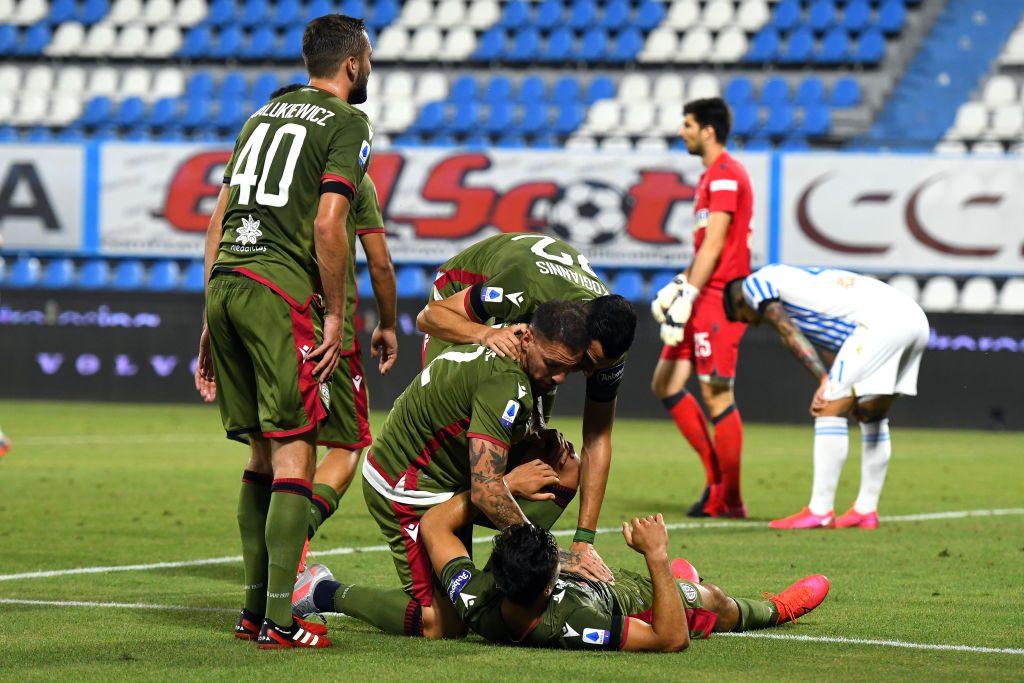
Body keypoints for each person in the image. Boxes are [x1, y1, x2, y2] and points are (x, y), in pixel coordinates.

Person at [193, 14, 374, 649]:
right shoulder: (349, 122)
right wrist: (331, 313)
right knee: (296, 448)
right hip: (279, 292)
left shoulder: (258, 118)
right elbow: (330, 226)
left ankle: (251, 612)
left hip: (228, 283)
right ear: (353, 64)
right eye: (368, 59)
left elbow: (218, 219)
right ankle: (280, 618)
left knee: (260, 454)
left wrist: (208, 319)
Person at [195, 83, 399, 567]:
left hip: (237, 293)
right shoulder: (352, 175)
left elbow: (218, 229)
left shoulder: (255, 142)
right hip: (320, 326)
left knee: (264, 454)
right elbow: (378, 260)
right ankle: (293, 546)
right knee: (339, 446)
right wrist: (384, 322)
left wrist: (210, 314)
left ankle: (263, 590)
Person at [294, 496, 830, 650]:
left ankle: (322, 590)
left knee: (434, 621)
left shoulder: (479, 596)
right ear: (551, 583)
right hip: (625, 593)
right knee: (704, 599)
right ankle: (775, 609)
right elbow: (670, 639)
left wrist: (486, 495)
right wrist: (657, 558)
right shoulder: (571, 623)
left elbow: (435, 526)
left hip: (581, 584)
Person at [354, 300, 591, 636]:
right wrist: (546, 560)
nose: (560, 378)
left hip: (454, 479)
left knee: (565, 465)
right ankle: (322, 590)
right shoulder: (505, 384)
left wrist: (532, 442)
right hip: (408, 487)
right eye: (553, 364)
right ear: (527, 340)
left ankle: (506, 583)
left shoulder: (528, 367)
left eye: (571, 368)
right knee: (442, 624)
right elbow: (486, 489)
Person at [417, 232, 638, 581]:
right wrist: (484, 335)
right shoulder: (527, 289)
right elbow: (429, 317)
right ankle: (447, 546)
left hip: (530, 323)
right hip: (461, 303)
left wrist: (585, 540)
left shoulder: (606, 345)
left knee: (546, 455)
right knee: (466, 437)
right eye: (588, 361)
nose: (591, 374)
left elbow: (597, 438)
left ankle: (508, 571)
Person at [722, 265, 930, 529]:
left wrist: (825, 380)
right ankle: (866, 510)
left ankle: (820, 511)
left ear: (740, 301)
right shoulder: (796, 284)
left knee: (827, 408)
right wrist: (837, 381)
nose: (749, 323)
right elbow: (839, 345)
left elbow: (786, 329)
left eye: (742, 317)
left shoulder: (754, 285)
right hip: (914, 318)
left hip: (880, 324)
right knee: (870, 412)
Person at [650, 97, 753, 519]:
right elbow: (705, 245)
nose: (682, 131)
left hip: (720, 298)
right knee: (665, 383)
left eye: (688, 124)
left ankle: (730, 500)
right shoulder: (712, 175)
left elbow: (717, 243)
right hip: (701, 291)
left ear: (708, 130)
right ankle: (716, 480)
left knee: (717, 395)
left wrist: (692, 294)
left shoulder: (726, 174)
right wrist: (681, 285)